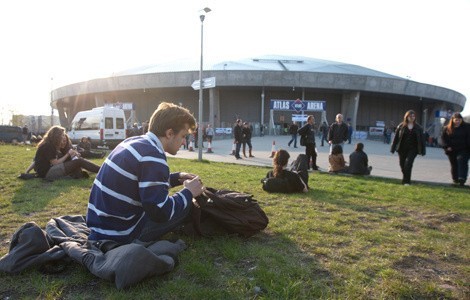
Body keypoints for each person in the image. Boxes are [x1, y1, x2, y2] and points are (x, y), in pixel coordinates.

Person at [86, 102, 205, 244]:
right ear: (170, 133)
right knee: (187, 205)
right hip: (122, 234)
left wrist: (176, 178)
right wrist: (188, 192)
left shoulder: (134, 142)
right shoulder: (152, 155)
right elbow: (161, 212)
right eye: (183, 136)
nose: (184, 142)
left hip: (100, 226)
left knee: (178, 200)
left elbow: (140, 184)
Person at [34, 126, 101, 181]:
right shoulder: (48, 146)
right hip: (47, 173)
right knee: (79, 161)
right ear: (56, 136)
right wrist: (68, 154)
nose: (64, 137)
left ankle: (81, 174)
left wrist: (72, 155)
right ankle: (102, 170)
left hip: (48, 170)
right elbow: (55, 163)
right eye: (62, 135)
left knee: (77, 162)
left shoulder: (50, 144)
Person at [390, 110, 426, 185]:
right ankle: (405, 178)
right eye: (410, 116)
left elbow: (422, 140)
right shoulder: (401, 126)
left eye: (413, 116)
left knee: (408, 163)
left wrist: (423, 150)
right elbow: (396, 138)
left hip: (413, 149)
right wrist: (392, 148)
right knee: (402, 164)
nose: (412, 118)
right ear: (406, 117)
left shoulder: (419, 128)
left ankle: (407, 181)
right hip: (402, 149)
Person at [441, 112, 470, 186]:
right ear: (453, 120)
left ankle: (462, 178)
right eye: (456, 120)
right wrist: (447, 147)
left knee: (461, 160)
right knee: (454, 164)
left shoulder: (467, 127)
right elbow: (443, 139)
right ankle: (455, 179)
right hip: (452, 150)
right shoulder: (447, 128)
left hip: (464, 149)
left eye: (459, 120)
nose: (458, 121)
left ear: (462, 120)